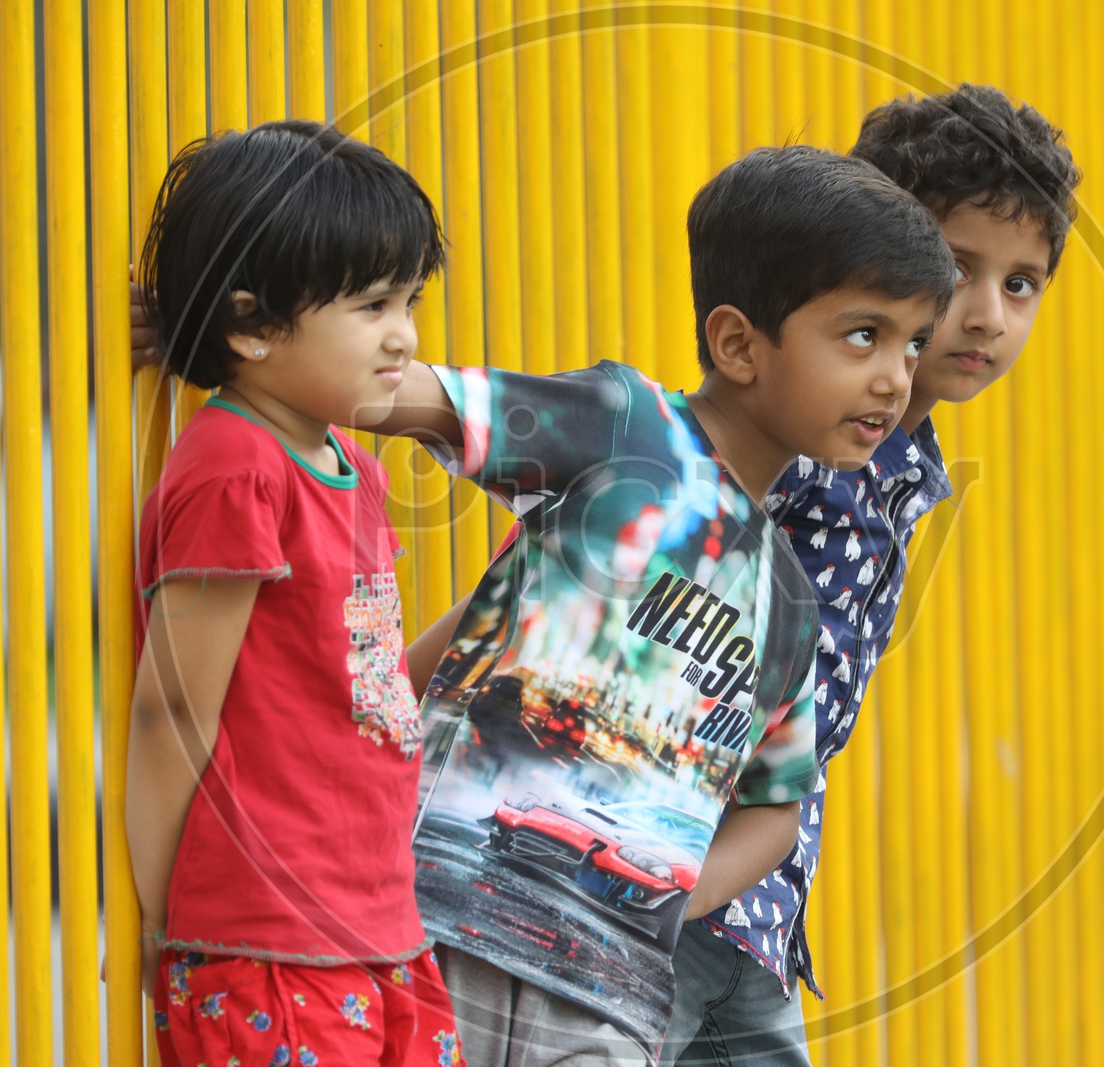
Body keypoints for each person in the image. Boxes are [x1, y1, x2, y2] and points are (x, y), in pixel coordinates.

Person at [368, 144, 954, 1065]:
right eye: (863, 335)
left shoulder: (789, 600)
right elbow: (414, 397)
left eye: (914, 342)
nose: (896, 377)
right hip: (442, 922)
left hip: (610, 995)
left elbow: (774, 808)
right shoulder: (626, 428)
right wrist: (238, 335)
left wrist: (665, 899)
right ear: (736, 343)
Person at [661, 84, 1082, 1066]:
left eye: (1020, 284)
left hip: (755, 905)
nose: (983, 315)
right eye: (956, 268)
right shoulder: (799, 435)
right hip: (651, 878)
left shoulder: (893, 452)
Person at [126, 119, 466, 1067]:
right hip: (265, 944)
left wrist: (490, 607)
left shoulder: (348, 460)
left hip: (380, 927)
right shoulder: (239, 466)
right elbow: (172, 713)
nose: (404, 335)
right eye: (371, 306)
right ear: (250, 325)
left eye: (409, 298)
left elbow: (354, 687)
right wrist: (164, 921)